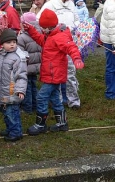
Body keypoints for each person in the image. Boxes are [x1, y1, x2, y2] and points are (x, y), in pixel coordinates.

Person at [22, 8, 84, 136]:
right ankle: (62, 123)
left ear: (50, 26)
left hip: (54, 74)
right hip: (51, 73)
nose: (42, 30)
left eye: (43, 28)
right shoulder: (49, 35)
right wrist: (31, 30)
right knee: (55, 98)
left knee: (41, 97)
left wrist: (77, 59)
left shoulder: (59, 37)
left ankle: (40, 124)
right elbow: (41, 41)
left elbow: (71, 47)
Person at [36, 0, 81, 109]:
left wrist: (74, 28)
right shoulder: (50, 5)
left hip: (69, 40)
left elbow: (77, 19)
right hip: (55, 45)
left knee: (71, 72)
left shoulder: (71, 4)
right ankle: (59, 100)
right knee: (57, 72)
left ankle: (73, 100)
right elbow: (40, 20)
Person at [0, 29, 28, 142]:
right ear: (2, 44)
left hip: (12, 91)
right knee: (6, 113)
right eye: (9, 42)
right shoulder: (0, 54)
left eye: (14, 42)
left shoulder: (18, 58)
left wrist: (20, 90)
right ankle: (10, 129)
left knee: (12, 113)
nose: (12, 44)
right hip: (2, 90)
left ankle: (16, 132)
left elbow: (21, 76)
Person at [18, 12, 42, 114]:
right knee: (33, 85)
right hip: (37, 65)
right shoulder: (39, 33)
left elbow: (20, 53)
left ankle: (27, 107)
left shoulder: (22, 37)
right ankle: (35, 105)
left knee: (26, 87)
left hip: (26, 66)